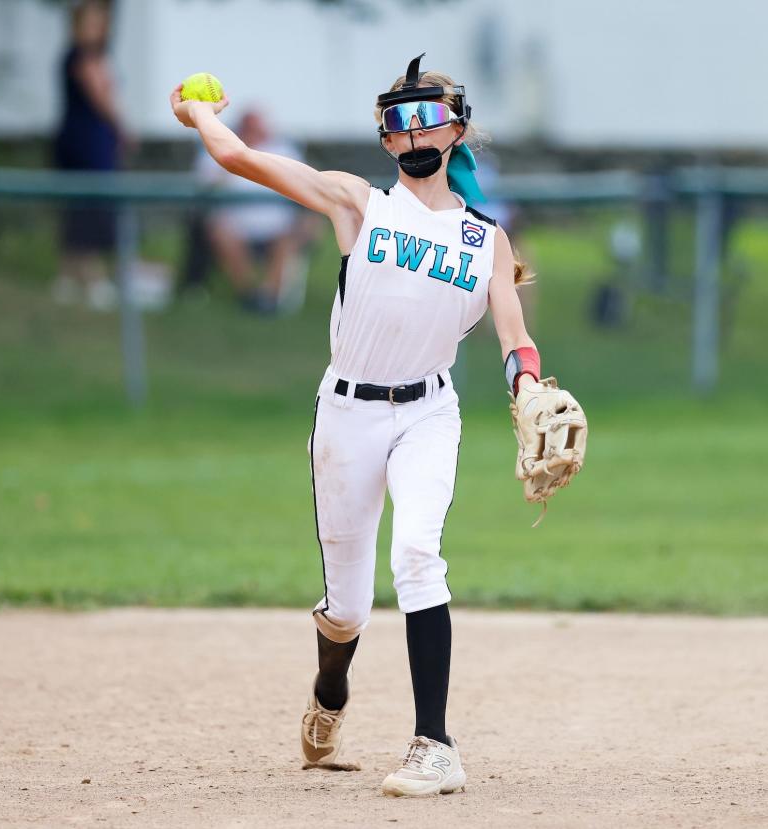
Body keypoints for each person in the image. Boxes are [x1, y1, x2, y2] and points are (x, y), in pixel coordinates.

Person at [170, 54, 556, 797]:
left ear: (458, 129)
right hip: (346, 413)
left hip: (428, 414)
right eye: (398, 119)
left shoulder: (485, 239)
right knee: (345, 609)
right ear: (385, 138)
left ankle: (435, 745)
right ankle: (330, 697)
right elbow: (238, 156)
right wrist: (200, 116)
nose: (414, 131)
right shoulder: (359, 204)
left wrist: (531, 387)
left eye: (429, 115)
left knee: (417, 553)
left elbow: (515, 337)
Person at [190, 110, 320, 314]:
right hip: (236, 227)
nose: (253, 132)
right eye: (248, 127)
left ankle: (270, 297)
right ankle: (249, 295)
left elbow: (308, 185)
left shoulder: (283, 150)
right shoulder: (217, 149)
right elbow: (207, 187)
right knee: (219, 231)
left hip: (279, 226)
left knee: (291, 236)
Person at [51, 0, 129, 311]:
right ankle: (93, 278)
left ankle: (69, 277)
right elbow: (101, 98)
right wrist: (122, 128)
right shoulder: (82, 57)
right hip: (86, 144)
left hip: (88, 141)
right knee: (89, 208)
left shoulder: (91, 56)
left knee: (79, 208)